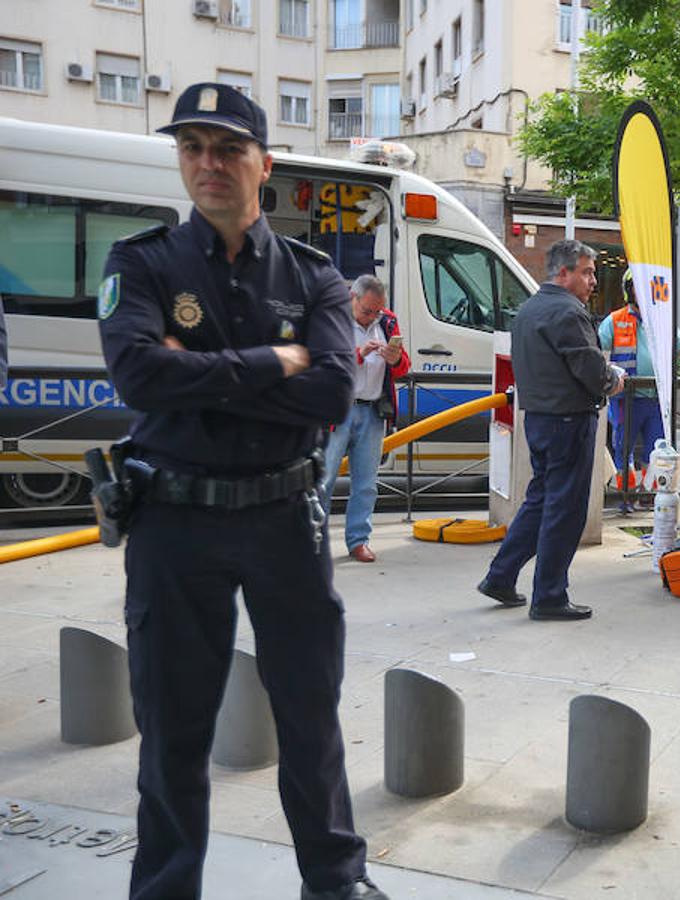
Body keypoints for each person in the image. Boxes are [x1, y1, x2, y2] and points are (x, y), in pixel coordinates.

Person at [96, 83, 383, 900]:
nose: (208, 164)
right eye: (192, 148)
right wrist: (275, 362)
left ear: (265, 163)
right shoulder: (142, 261)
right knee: (173, 731)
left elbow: (332, 393)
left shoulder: (315, 275)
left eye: (226, 148)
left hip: (284, 520)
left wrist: (201, 372)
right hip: (174, 525)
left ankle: (336, 882)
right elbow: (140, 376)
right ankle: (164, 889)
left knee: (308, 714)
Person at [477, 239, 624, 621]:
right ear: (564, 273)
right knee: (564, 511)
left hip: (541, 419)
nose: (593, 280)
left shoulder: (528, 311)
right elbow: (591, 371)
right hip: (568, 422)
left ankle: (501, 576)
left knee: (540, 502)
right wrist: (613, 381)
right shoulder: (568, 314)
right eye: (587, 272)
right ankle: (550, 596)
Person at [598, 268, 680, 484]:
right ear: (629, 290)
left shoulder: (663, 319)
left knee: (655, 454)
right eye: (637, 287)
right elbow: (598, 354)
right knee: (622, 453)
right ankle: (627, 498)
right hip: (625, 400)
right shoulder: (614, 321)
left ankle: (649, 497)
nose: (642, 292)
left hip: (656, 398)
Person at [321, 275, 410, 563]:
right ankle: (313, 540)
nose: (372, 316)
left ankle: (358, 540)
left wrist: (395, 358)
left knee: (366, 483)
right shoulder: (334, 318)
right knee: (324, 479)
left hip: (373, 410)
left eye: (378, 310)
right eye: (367, 310)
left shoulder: (387, 322)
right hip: (338, 411)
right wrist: (358, 354)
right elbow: (325, 361)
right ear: (352, 299)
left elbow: (402, 368)